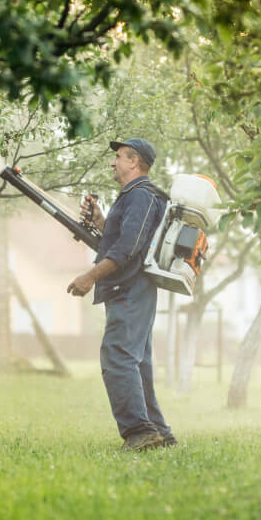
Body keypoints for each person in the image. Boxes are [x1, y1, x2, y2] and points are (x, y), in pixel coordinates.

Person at [67, 138, 177, 451]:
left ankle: (140, 432)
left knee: (117, 356)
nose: (113, 163)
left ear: (134, 162)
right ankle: (159, 432)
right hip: (132, 288)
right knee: (136, 362)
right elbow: (124, 237)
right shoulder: (131, 197)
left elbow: (128, 248)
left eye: (118, 157)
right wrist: (102, 220)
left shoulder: (141, 195)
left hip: (130, 287)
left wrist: (90, 276)